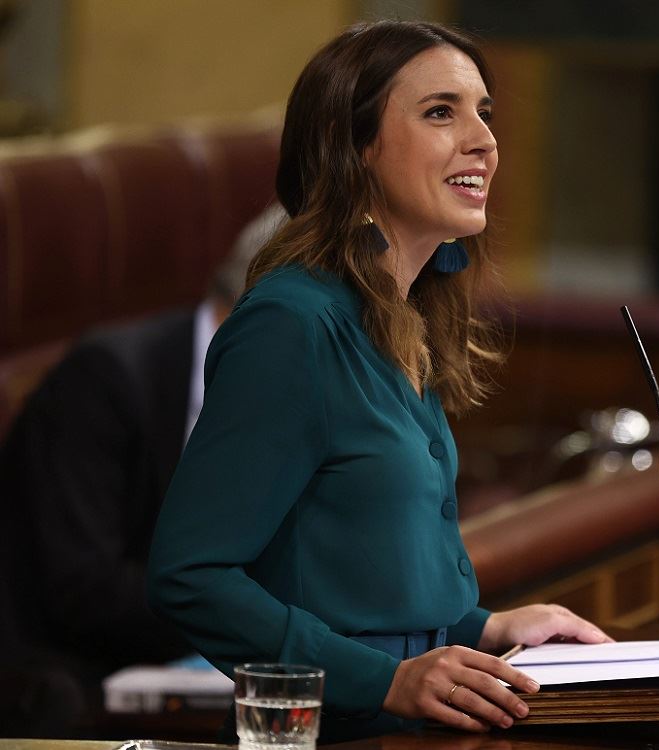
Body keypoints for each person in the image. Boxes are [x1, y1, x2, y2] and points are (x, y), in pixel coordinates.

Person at [146, 20, 609, 742]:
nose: (485, 141)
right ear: (354, 147)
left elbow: (358, 580)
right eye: (440, 112)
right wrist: (384, 681)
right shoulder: (292, 326)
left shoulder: (401, 313)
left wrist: (484, 628)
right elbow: (191, 575)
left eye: (484, 112)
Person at [0, 204, 284, 736]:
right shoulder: (104, 381)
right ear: (271, 309)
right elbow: (81, 589)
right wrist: (251, 615)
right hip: (57, 678)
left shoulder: (283, 399)